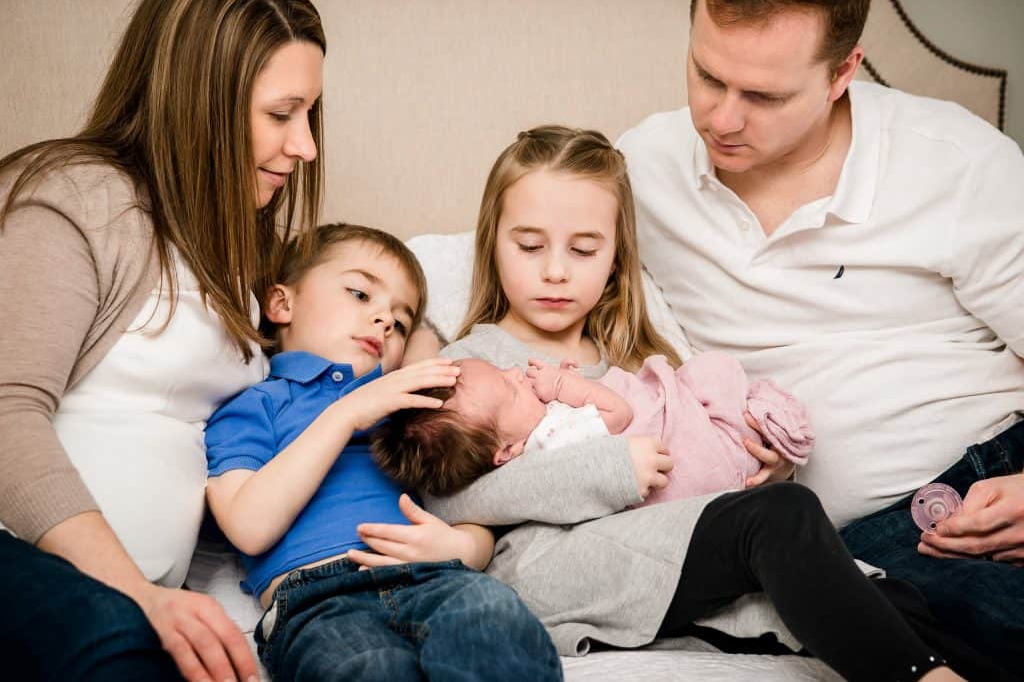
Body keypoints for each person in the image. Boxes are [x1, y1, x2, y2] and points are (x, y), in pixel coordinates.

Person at [356, 125, 1013, 681]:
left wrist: (760, 458)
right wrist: (609, 468)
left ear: (615, 259)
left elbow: (709, 438)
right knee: (780, 519)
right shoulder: (476, 361)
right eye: (529, 246)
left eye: (583, 249)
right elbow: (438, 488)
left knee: (893, 593)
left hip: (680, 550)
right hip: (562, 569)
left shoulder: (640, 352)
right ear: (491, 242)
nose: (555, 270)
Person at [615, 0, 1024, 671]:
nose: (721, 116)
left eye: (764, 96)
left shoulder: (954, 161)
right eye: (707, 75)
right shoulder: (638, 173)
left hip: (994, 473)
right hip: (847, 550)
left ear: (844, 73)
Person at [0, 0, 326, 680]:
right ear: (201, 101)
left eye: (309, 115)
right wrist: (137, 595)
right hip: (44, 572)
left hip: (136, 601)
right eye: (281, 114)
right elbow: (5, 413)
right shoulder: (79, 200)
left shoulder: (246, 254)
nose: (304, 146)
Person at [203, 223, 562, 681]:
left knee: (492, 613)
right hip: (316, 601)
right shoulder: (254, 405)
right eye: (359, 294)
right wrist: (347, 413)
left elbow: (473, 504)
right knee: (369, 669)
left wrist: (463, 547)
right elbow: (248, 527)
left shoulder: (405, 408)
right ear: (281, 303)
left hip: (435, 579)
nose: (385, 321)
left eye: (401, 320)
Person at [374, 352, 813, 498]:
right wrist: (566, 384)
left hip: (682, 438)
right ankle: (766, 423)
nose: (515, 375)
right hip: (679, 449)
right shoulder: (548, 440)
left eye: (505, 371)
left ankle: (757, 428)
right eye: (511, 391)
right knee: (715, 369)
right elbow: (617, 415)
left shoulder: (539, 430)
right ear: (504, 451)